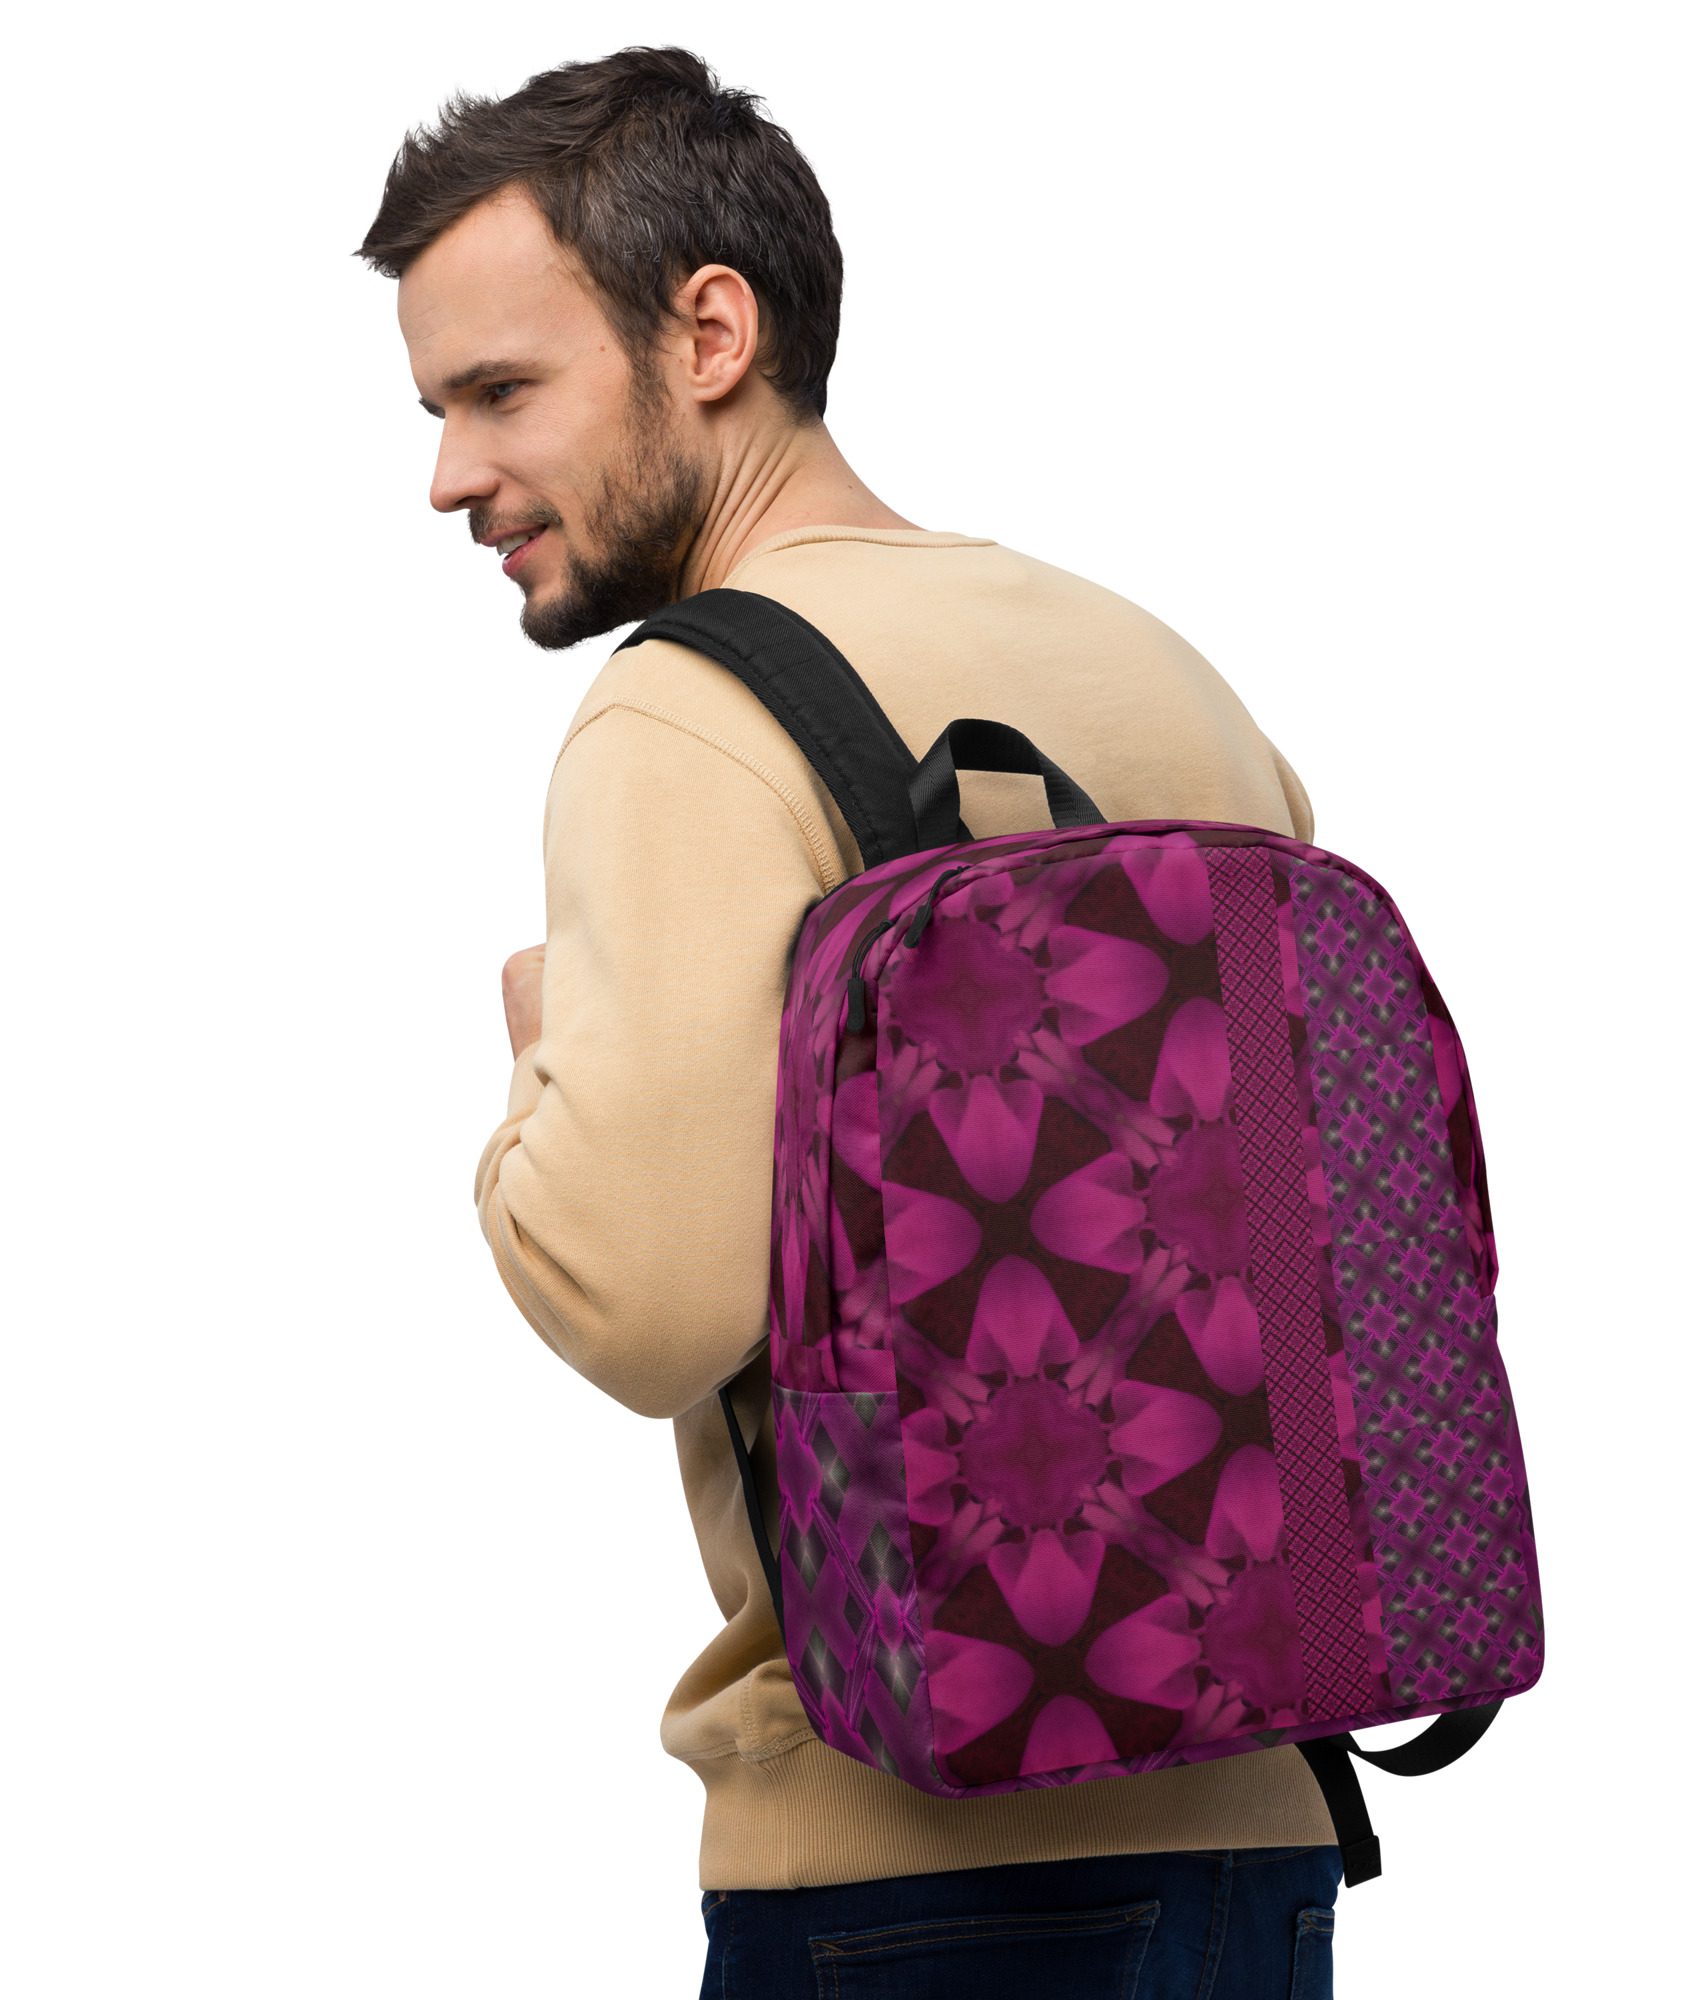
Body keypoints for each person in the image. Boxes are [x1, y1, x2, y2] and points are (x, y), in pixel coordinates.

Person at [356, 43, 1340, 1997]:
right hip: (1257, 1832)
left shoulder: (689, 713)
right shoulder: (1158, 669)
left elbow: (648, 1300)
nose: (449, 475)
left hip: (901, 1860)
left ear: (710, 333)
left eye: (500, 392)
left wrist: (538, 1058)